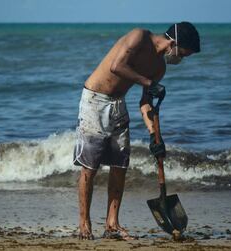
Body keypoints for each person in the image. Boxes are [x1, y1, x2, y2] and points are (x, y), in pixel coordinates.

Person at [73, 22, 200, 240]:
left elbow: (145, 103)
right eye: (183, 55)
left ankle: (112, 224)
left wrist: (154, 136)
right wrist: (149, 82)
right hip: (94, 99)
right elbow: (117, 66)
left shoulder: (160, 68)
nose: (181, 60)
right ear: (174, 43)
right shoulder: (139, 37)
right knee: (90, 167)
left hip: (118, 103)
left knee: (120, 164)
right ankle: (84, 224)